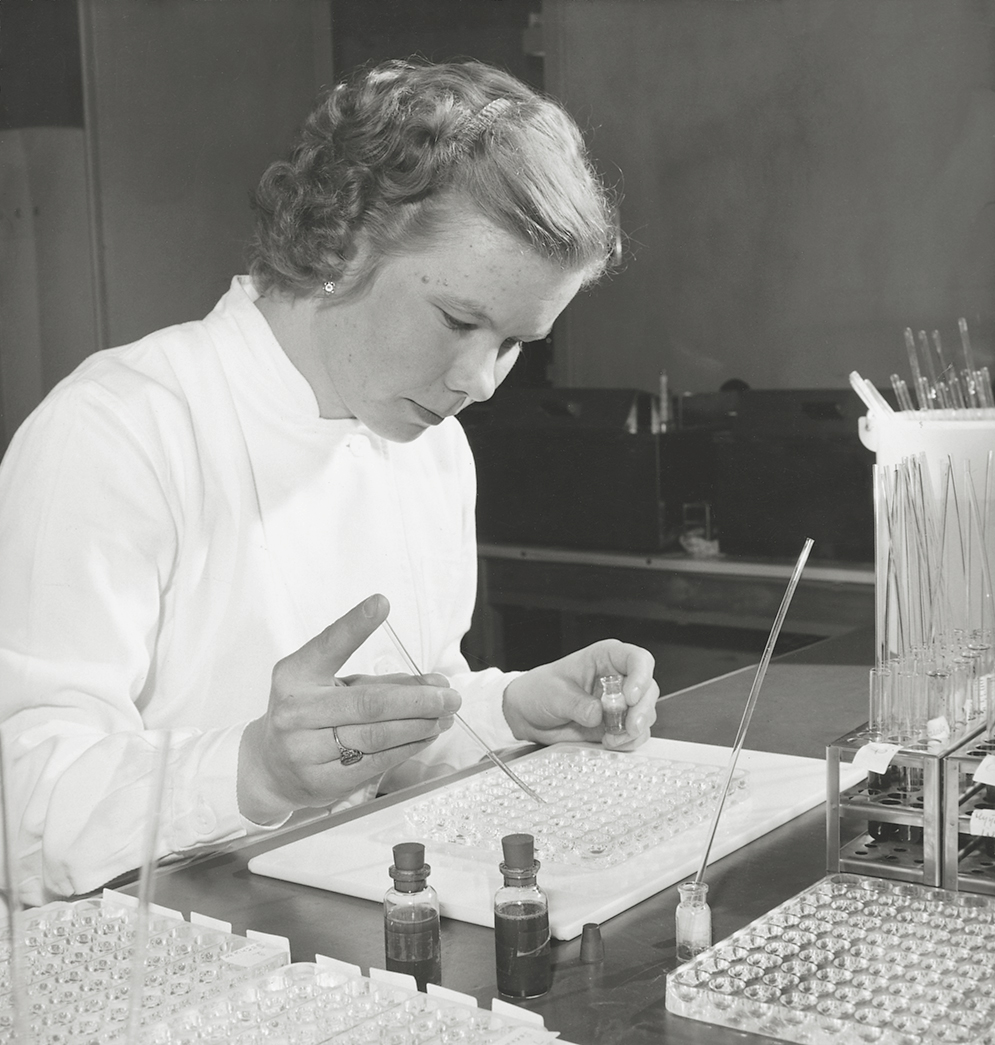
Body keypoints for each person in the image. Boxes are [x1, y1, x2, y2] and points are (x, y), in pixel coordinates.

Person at [0, 59, 659, 906]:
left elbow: (401, 729)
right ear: (344, 240)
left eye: (514, 342)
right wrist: (252, 770)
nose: (483, 381)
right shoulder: (119, 430)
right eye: (459, 320)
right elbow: (24, 799)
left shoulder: (429, 445)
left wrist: (515, 709)